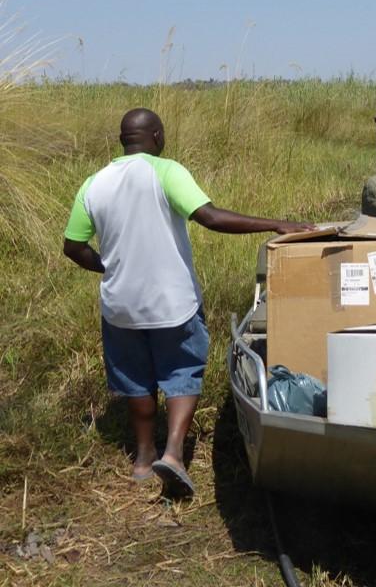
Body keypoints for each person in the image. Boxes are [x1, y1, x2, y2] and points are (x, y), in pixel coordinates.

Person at [63, 108, 314, 496]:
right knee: (182, 370)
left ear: (121, 141)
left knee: (135, 379)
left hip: (120, 306)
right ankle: (175, 453)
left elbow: (72, 246)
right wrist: (276, 224)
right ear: (158, 137)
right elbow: (209, 217)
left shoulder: (93, 184)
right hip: (172, 302)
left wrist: (109, 269)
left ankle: (144, 459)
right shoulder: (166, 171)